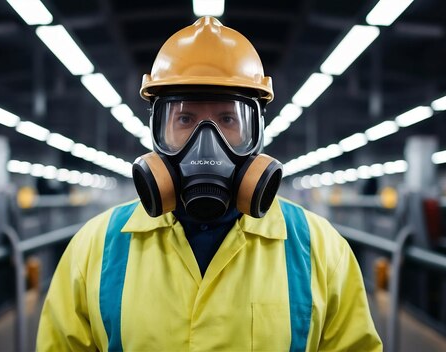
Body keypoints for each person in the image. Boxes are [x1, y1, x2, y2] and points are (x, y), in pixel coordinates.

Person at [37, 16, 382, 351]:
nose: (206, 145)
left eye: (228, 119)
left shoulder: (322, 252)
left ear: (257, 134)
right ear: (157, 132)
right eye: (185, 119)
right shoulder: (94, 249)